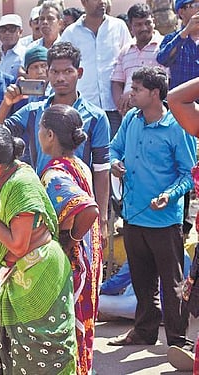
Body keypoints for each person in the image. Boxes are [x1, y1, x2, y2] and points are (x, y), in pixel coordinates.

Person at [0, 124, 77, 374]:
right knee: (17, 349)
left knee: (43, 352)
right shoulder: (1, 176)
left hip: (39, 271)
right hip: (19, 274)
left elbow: (18, 244)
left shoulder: (21, 184)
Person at [107, 67, 195, 358]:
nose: (131, 93)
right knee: (142, 281)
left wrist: (169, 195)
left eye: (137, 89)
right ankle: (143, 332)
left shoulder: (177, 126)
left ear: (155, 93)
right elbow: (114, 148)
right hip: (132, 215)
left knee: (173, 284)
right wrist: (116, 163)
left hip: (164, 220)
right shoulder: (131, 118)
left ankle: (177, 340)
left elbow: (188, 174)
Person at [0, 42, 111, 244]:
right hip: (40, 206)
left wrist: (102, 219)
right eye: (55, 72)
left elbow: (101, 169)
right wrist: (7, 103)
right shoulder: (33, 111)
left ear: (79, 72)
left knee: (78, 270)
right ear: (48, 73)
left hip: (80, 213)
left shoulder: (96, 117)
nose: (60, 78)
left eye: (67, 71)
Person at [39, 104, 102, 374]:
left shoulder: (55, 175)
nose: (39, 133)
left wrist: (72, 239)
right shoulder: (80, 166)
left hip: (73, 263)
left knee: (68, 332)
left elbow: (88, 208)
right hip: (90, 260)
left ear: (50, 135)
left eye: (42, 129)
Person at [60, 0, 132, 136]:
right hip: (83, 110)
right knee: (84, 154)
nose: (103, 2)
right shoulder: (71, 33)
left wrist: (128, 90)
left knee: (112, 153)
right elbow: (62, 67)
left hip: (114, 108)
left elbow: (128, 61)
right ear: (84, 2)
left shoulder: (119, 27)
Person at [111, 3, 167, 117]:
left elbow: (166, 82)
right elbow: (116, 82)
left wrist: (133, 95)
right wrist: (121, 104)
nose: (144, 28)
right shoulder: (125, 51)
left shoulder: (165, 47)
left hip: (156, 115)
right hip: (129, 116)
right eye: (138, 24)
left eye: (147, 23)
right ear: (130, 26)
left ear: (154, 22)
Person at [157, 0, 199, 89]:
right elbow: (162, 59)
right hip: (181, 100)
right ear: (181, 12)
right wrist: (186, 31)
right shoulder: (170, 38)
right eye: (195, 5)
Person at [0, 14, 26, 79]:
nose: (7, 33)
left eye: (12, 29)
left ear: (20, 32)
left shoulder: (25, 54)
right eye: (3, 29)